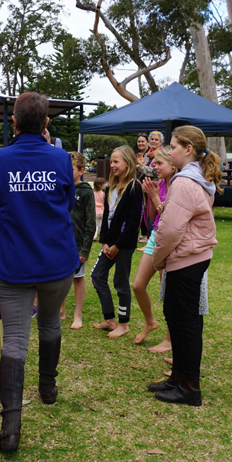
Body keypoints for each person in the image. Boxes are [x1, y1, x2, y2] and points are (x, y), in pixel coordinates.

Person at [0, 92, 79, 453]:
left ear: (14, 122)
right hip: (57, 261)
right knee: (50, 323)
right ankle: (47, 388)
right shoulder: (61, 158)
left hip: (14, 263)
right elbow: (67, 202)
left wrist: (12, 213)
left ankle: (12, 428)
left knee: (15, 339)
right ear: (46, 123)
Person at [149, 126, 221, 407]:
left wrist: (157, 259)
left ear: (188, 150)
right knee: (178, 318)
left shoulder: (184, 182)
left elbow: (170, 231)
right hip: (190, 257)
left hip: (185, 259)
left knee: (186, 322)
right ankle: (177, 378)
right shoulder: (196, 178)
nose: (170, 150)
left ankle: (189, 387)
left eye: (174, 146)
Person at [91, 145, 143, 338]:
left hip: (124, 245)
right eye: (111, 161)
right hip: (109, 244)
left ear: (127, 164)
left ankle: (124, 323)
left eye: (116, 161)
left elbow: (133, 222)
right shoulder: (110, 187)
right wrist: (104, 241)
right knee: (97, 276)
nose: (112, 165)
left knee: (121, 283)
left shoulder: (134, 188)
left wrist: (118, 245)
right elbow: (106, 217)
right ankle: (109, 319)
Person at [132, 146, 177, 345]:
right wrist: (151, 196)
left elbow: (171, 219)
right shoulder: (159, 185)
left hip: (169, 241)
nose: (155, 167)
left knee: (167, 292)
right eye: (154, 163)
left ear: (173, 164)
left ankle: (170, 338)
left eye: (160, 163)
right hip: (155, 237)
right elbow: (152, 218)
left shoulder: (178, 186)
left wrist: (157, 197)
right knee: (138, 285)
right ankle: (150, 322)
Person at [67, 152, 96, 330]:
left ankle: (77, 315)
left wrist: (84, 250)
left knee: (78, 278)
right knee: (60, 278)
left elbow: (90, 222)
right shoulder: (61, 188)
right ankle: (60, 311)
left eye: (70, 169)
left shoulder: (86, 191)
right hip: (60, 244)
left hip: (77, 245)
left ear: (81, 170)